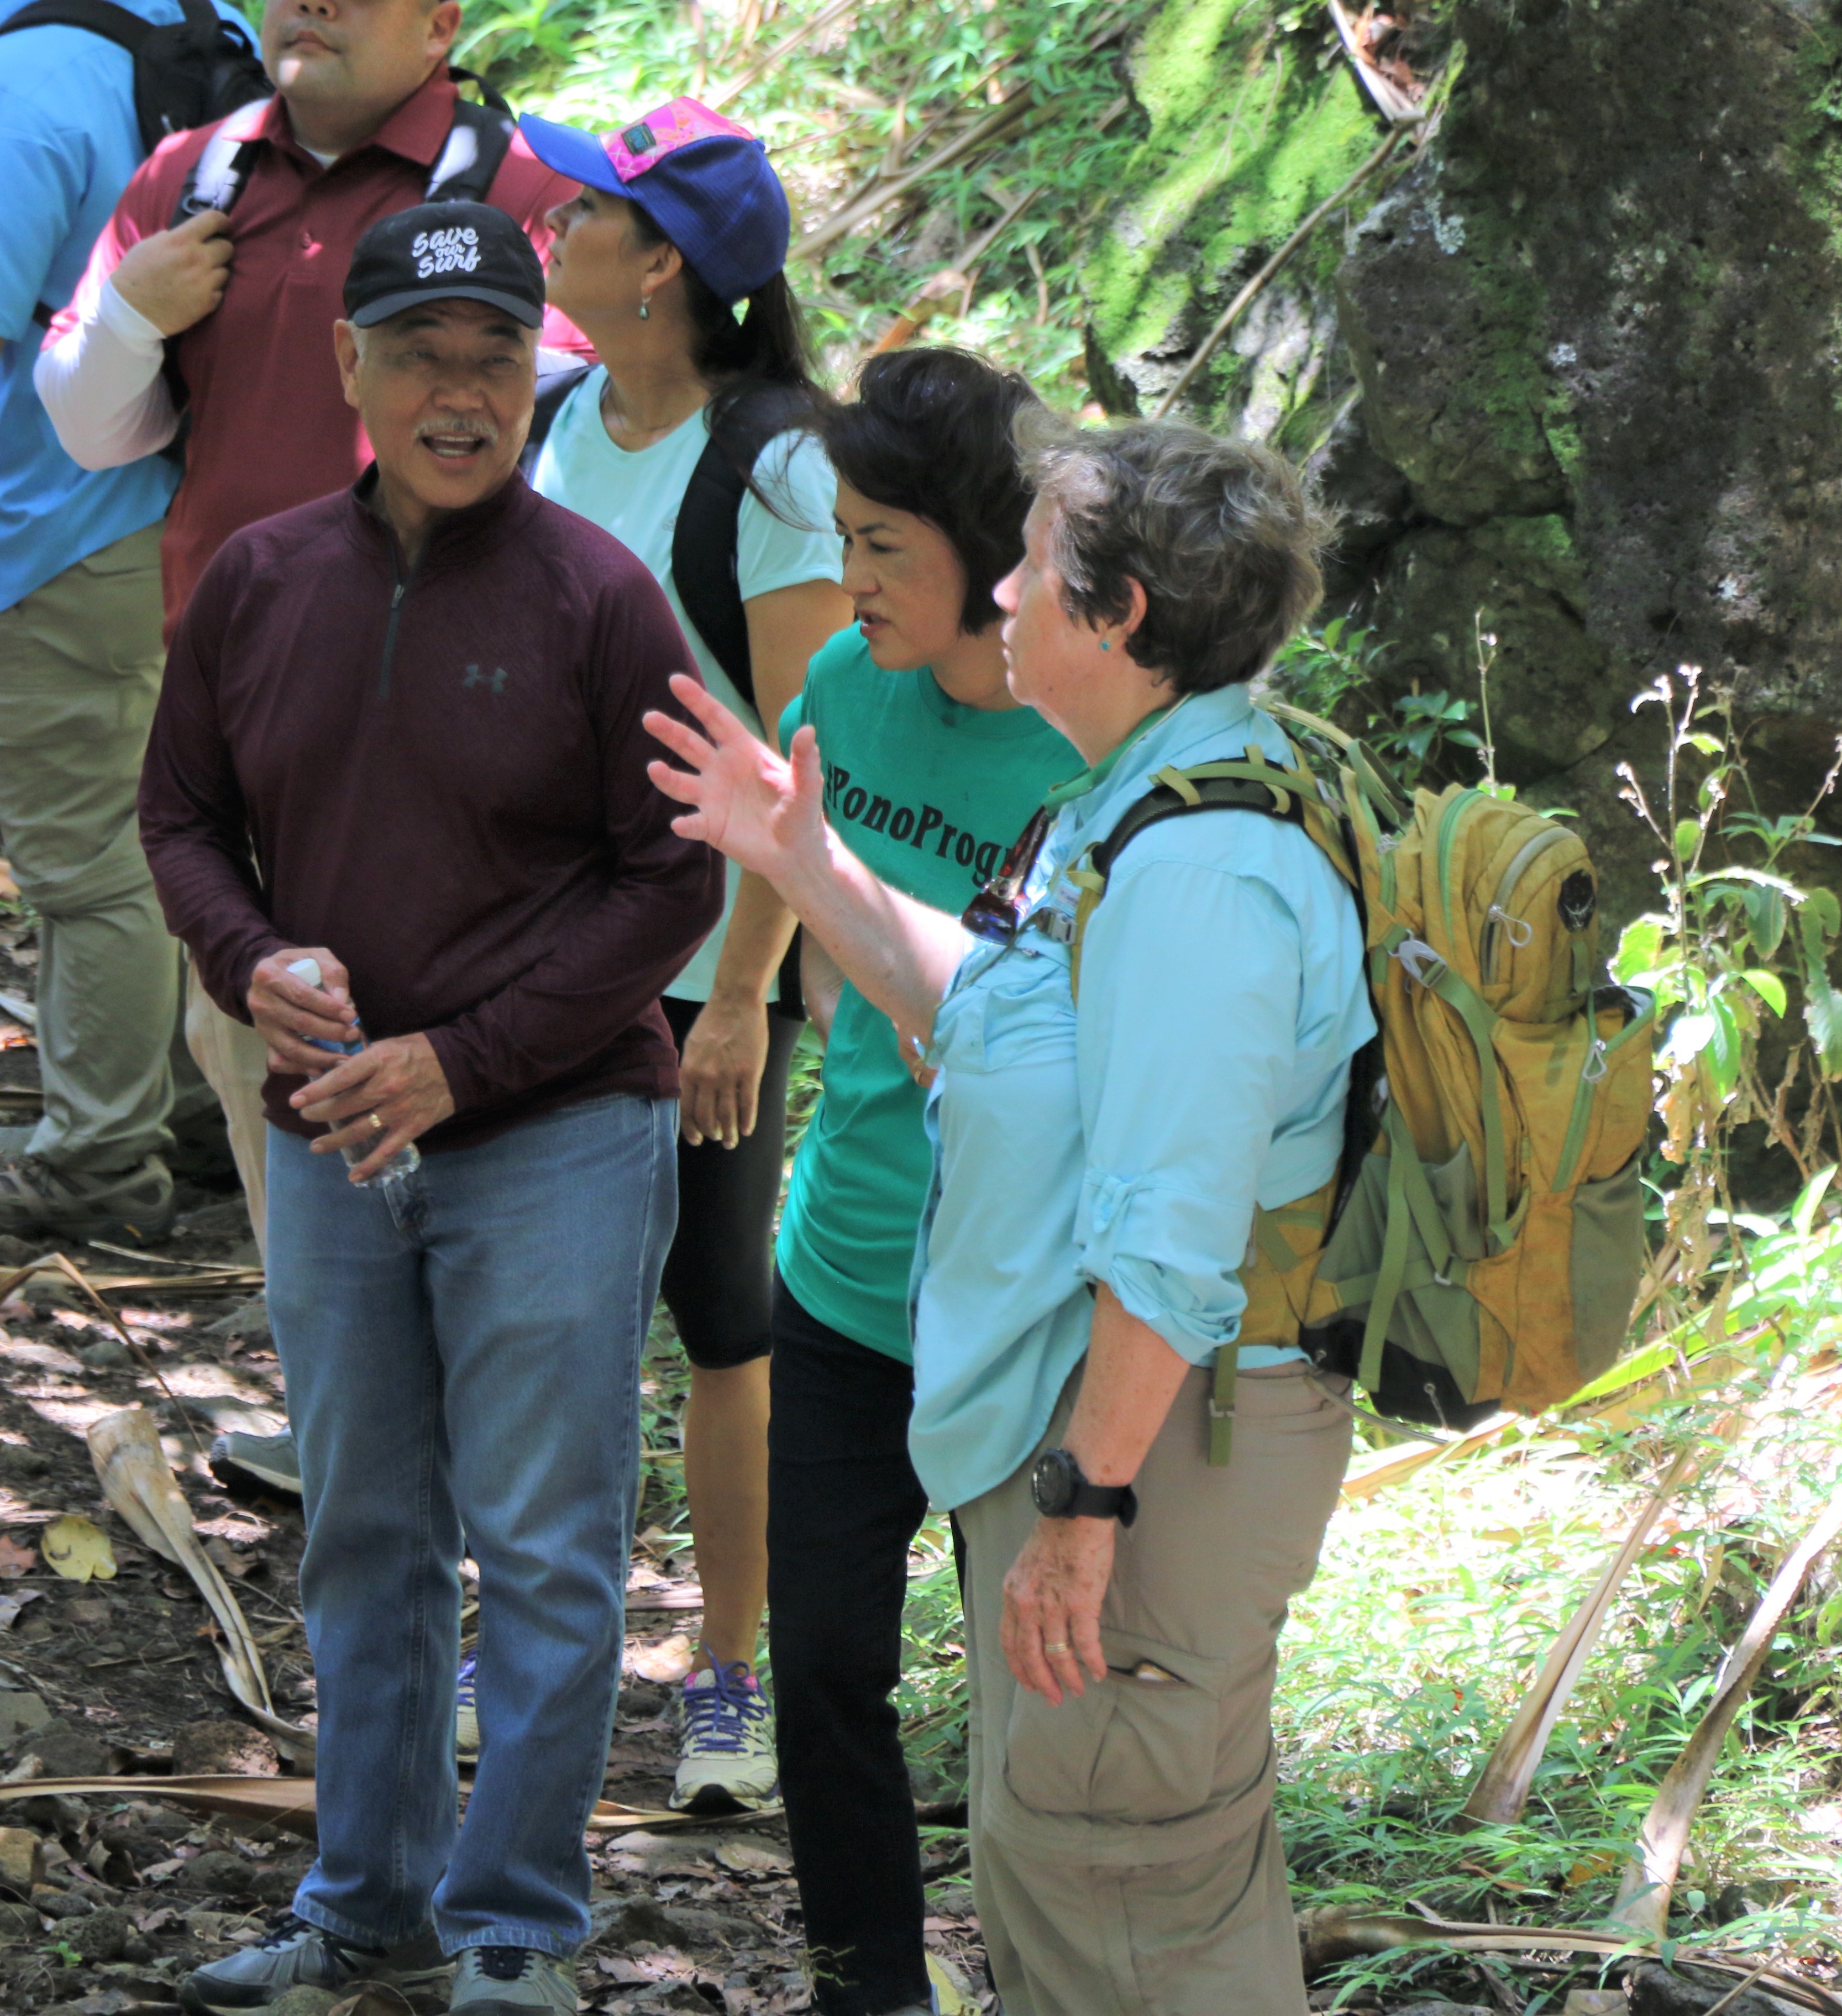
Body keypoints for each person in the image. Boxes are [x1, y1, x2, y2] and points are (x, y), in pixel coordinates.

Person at [646, 414, 1373, 2016]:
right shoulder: (1139, 799)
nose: (1003, 594)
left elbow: (1172, 1243)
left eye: (1036, 569)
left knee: (1130, 1905)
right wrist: (811, 863)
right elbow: (999, 1017)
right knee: (1078, 1875)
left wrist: (1085, 1510)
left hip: (1166, 1459)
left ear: (1116, 619)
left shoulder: (1205, 872)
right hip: (1127, 1442)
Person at [139, 204, 720, 2016]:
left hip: (551, 1139)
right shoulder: (257, 579)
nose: (459, 394)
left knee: (546, 1544)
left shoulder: (597, 598)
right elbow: (179, 820)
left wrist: (460, 1057)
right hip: (332, 1144)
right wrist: (252, 961)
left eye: (493, 358)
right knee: (368, 1527)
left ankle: (519, 1927)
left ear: (532, 375)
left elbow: (671, 878)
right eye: (421, 355)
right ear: (350, 369)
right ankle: (365, 1901)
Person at [36, 0, 584, 1259]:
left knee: (441, 1049)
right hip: (238, 701)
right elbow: (91, 427)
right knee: (250, 1043)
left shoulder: (524, 180)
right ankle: (324, 1402)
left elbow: (579, 427)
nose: (313, 4)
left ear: (441, 22)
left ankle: (446, 1397)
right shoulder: (196, 173)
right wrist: (131, 310)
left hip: (456, 709)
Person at [494, 95, 848, 1810]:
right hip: (542, 950)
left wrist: (740, 994)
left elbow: (803, 754)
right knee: (540, 1315)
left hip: (708, 968)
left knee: (721, 1325)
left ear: (671, 274)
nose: (556, 225)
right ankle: (533, 1663)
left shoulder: (775, 464)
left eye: (595, 214)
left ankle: (726, 1679)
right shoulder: (556, 422)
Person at [757, 349, 1078, 2016]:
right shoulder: (840, 680)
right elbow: (792, 842)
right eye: (842, 538)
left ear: (981, 553)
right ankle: (867, 1982)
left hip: (1021, 1309)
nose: (853, 578)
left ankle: (1039, 1977)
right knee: (819, 1660)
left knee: (1041, 1709)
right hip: (844, 1270)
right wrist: (743, 997)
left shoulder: (1087, 758)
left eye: (886, 544)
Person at [0, 0, 253, 1242]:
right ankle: (200, 1112)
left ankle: (94, 1158)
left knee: (93, 865)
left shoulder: (17, 87)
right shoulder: (214, 28)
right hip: (220, 506)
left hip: (68, 525)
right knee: (197, 824)